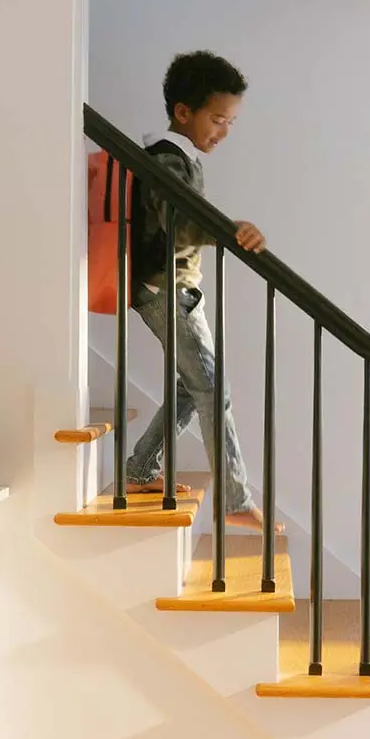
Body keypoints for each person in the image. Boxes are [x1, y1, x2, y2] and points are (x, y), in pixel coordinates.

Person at [125, 50, 280, 532]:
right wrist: (230, 230)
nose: (224, 131)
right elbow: (179, 220)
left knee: (192, 388)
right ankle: (235, 499)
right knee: (214, 390)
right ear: (183, 112)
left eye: (230, 121)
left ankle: (139, 468)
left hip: (178, 290)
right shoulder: (168, 161)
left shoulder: (181, 158)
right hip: (164, 291)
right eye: (217, 119)